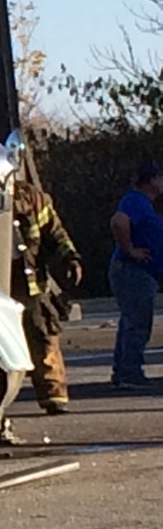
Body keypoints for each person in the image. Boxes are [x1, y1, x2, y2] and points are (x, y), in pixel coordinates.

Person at [12, 146, 83, 412]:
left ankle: (54, 396)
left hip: (31, 282)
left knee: (44, 335)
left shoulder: (33, 199)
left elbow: (55, 232)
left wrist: (71, 258)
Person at [107, 157, 163, 390]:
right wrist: (130, 250)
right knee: (137, 322)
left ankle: (123, 370)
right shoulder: (136, 201)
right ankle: (130, 372)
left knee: (131, 320)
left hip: (139, 273)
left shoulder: (143, 204)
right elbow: (119, 222)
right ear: (151, 180)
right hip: (133, 271)